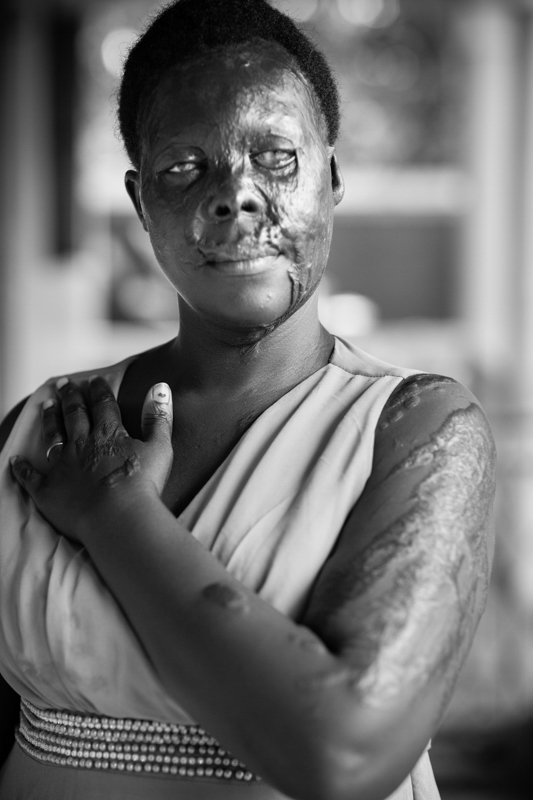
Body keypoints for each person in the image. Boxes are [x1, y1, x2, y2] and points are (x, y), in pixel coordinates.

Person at [0, 0, 496, 798]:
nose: (236, 194)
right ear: (140, 202)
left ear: (332, 179)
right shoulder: (42, 428)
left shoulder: (416, 429)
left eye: (274, 157)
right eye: (182, 168)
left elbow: (343, 759)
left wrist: (115, 512)